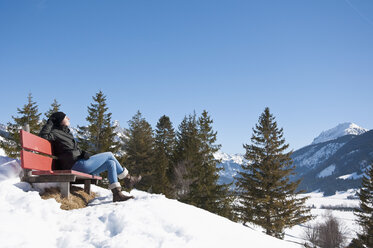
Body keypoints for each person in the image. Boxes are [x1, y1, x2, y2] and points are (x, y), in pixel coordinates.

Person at [39, 111, 142, 202]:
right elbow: (43, 136)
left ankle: (117, 194)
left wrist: (82, 153)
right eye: (66, 117)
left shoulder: (65, 133)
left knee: (111, 163)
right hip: (76, 165)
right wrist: (51, 121)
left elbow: (69, 150)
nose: (69, 118)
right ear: (60, 120)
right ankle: (127, 179)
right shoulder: (55, 133)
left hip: (79, 163)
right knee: (109, 154)